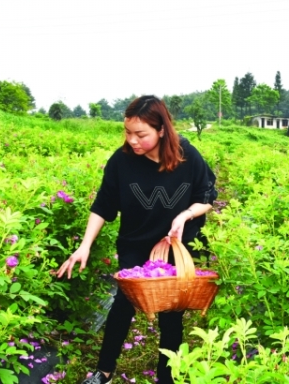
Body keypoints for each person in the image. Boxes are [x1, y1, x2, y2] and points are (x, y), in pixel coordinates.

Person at [57, 95, 217, 384]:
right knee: (122, 304)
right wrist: (85, 245)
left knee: (171, 311)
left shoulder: (187, 156)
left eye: (140, 134)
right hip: (135, 243)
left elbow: (206, 196)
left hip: (177, 245)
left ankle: (166, 377)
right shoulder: (122, 162)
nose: (132, 140)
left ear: (161, 130)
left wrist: (183, 217)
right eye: (128, 132)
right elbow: (103, 205)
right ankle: (103, 372)